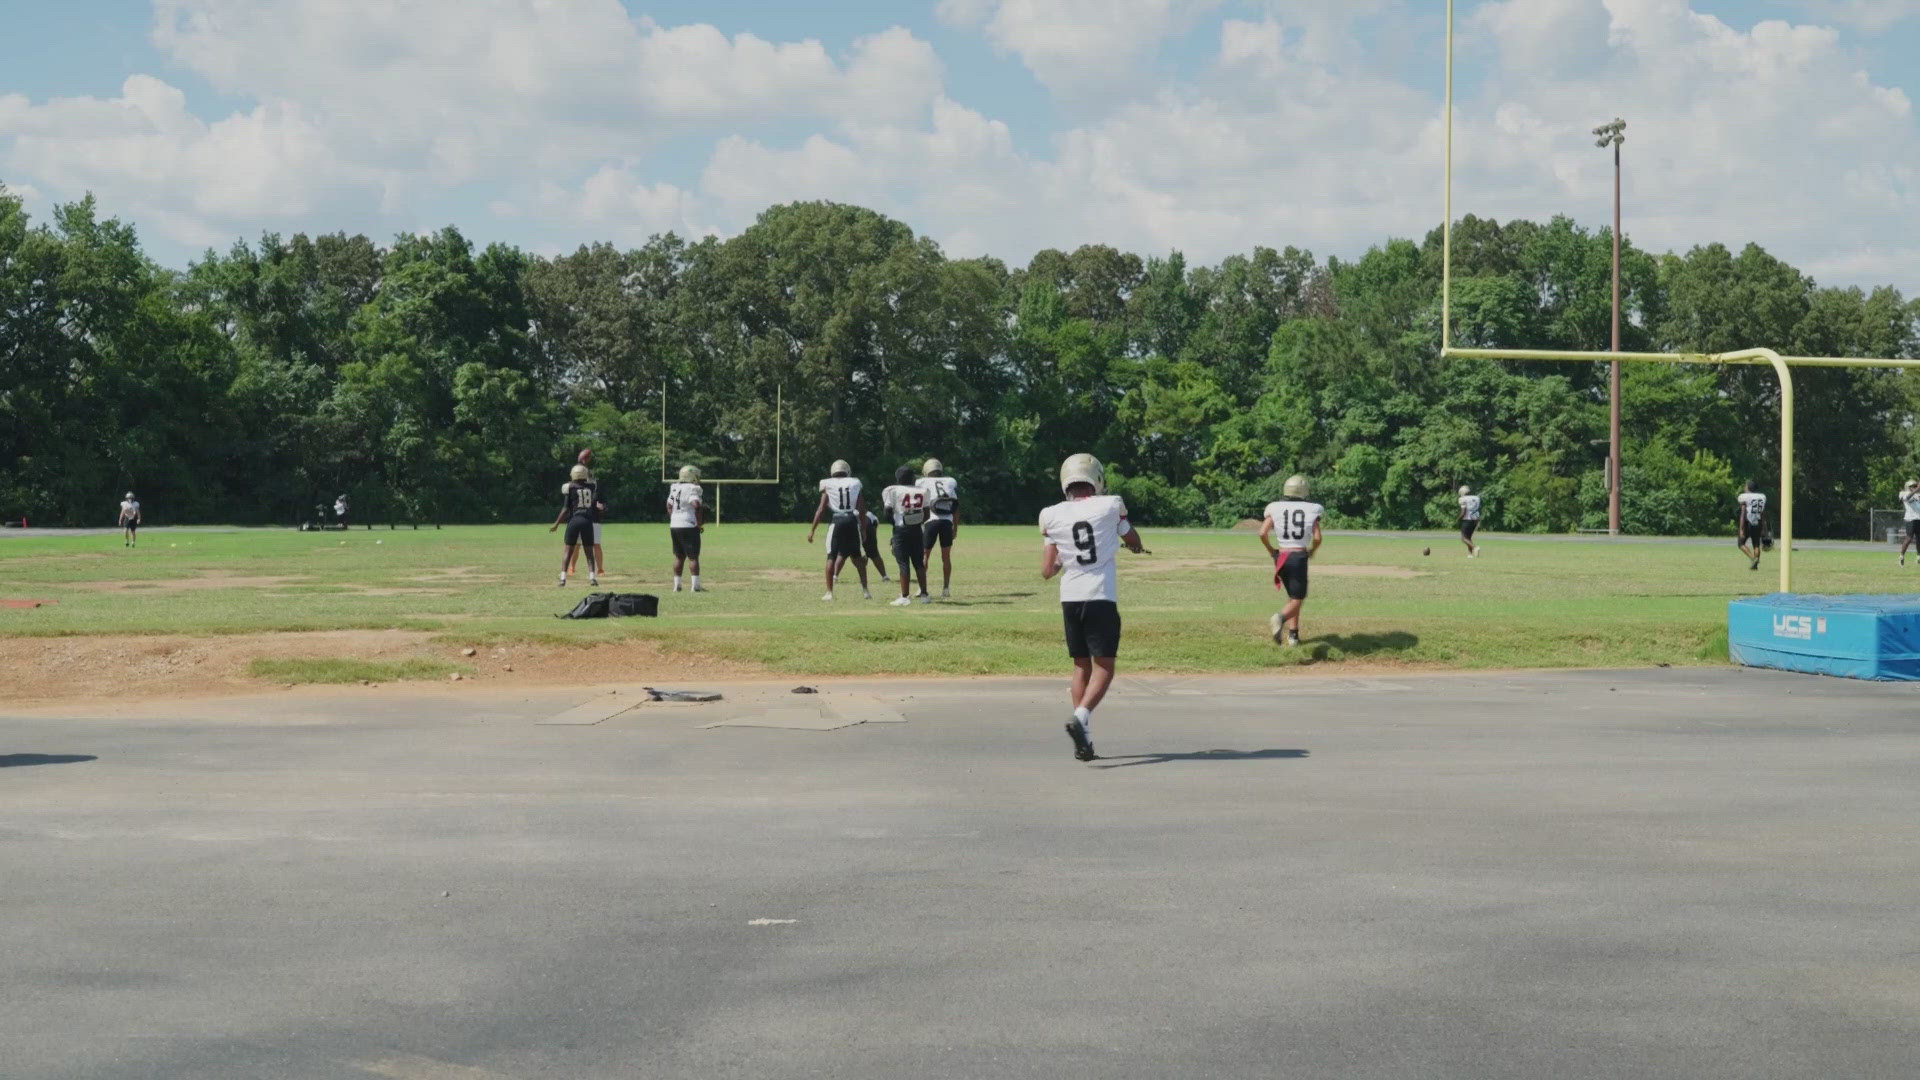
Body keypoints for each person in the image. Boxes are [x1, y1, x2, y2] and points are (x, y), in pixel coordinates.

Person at [1040, 453, 1145, 762]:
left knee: (1081, 666)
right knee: (1105, 666)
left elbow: (1047, 570)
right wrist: (1136, 546)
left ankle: (1083, 738)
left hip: (1070, 598)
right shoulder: (1110, 505)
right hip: (1100, 595)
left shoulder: (1051, 514)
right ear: (1096, 479)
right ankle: (1081, 716)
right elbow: (1132, 537)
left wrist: (1065, 558)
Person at [1259, 474, 1323, 648]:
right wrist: (1312, 550)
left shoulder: (1275, 507)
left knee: (1293, 597)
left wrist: (1271, 550)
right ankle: (1280, 618)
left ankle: (1293, 635)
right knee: (1298, 599)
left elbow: (1262, 532)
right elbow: (1317, 538)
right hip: (1298, 556)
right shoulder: (1312, 509)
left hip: (1281, 556)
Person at [807, 459, 870, 601]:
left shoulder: (827, 483)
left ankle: (829, 592)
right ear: (847, 471)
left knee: (831, 556)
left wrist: (813, 530)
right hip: (852, 520)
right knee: (858, 556)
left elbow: (821, 508)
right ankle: (866, 590)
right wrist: (863, 529)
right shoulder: (855, 482)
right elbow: (861, 509)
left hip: (837, 520)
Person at [881, 465, 932, 606]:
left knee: (903, 563)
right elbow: (927, 514)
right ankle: (924, 595)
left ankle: (904, 596)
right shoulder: (923, 491)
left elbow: (887, 513)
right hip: (917, 530)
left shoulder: (892, 490)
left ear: (898, 478)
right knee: (918, 563)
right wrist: (916, 522)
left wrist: (896, 524)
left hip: (901, 529)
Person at [549, 464, 601, 587]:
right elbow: (591, 481)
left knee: (568, 550)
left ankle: (563, 579)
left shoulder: (570, 488)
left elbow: (565, 509)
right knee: (589, 551)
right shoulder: (591, 487)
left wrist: (556, 524)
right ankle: (592, 578)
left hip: (574, 521)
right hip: (587, 521)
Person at [917, 458, 961, 598]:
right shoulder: (949, 482)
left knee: (925, 556)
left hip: (931, 521)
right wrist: (955, 528)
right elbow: (955, 508)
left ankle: (921, 588)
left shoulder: (922, 483)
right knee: (946, 557)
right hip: (946, 522)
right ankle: (946, 588)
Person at [667, 465, 706, 592]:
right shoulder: (692, 488)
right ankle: (696, 586)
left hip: (674, 524)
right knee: (693, 557)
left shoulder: (675, 487)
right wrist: (699, 523)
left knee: (679, 556)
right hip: (688, 524)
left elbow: (669, 505)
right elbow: (696, 505)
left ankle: (677, 585)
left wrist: (674, 518)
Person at [1736, 481, 1771, 572]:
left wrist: (1741, 529)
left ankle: (1753, 559)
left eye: (1745, 486)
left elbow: (1743, 514)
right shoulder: (1761, 497)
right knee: (1756, 544)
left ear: (1748, 487)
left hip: (1748, 522)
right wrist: (1764, 528)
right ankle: (1755, 566)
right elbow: (1762, 514)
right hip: (1758, 522)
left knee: (1741, 543)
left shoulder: (1745, 497)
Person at [860, 509, 892, 582]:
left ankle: (835, 575)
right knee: (874, 555)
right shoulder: (871, 515)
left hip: (861, 531)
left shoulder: (868, 515)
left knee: (844, 554)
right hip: (867, 533)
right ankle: (884, 576)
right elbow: (875, 526)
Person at [1457, 484, 1482, 557]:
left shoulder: (1463, 499)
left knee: (1464, 538)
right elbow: (1477, 509)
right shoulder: (1476, 498)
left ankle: (1475, 547)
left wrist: (1458, 519)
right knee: (1468, 538)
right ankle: (1470, 554)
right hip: (1475, 519)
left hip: (1467, 519)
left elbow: (1463, 512)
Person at [1900, 480, 1920, 566]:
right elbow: (1907, 498)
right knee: (1909, 538)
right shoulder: (1903, 493)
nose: (1914, 487)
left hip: (1919, 518)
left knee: (1919, 538)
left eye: (1915, 486)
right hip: (1910, 519)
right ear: (1907, 487)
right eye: (1913, 486)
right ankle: (1902, 556)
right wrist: (1917, 488)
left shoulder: (1917, 495)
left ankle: (1918, 556)